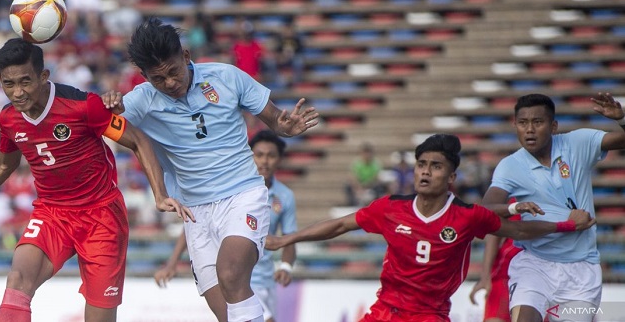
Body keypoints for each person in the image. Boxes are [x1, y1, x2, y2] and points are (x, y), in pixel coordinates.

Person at [0, 38, 191, 322]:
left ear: (43, 76)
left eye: (25, 82)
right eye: (9, 84)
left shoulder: (83, 106)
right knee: (17, 282)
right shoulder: (8, 119)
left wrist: (159, 195)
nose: (18, 93)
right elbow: (4, 164)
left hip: (101, 216)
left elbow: (137, 140)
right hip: (51, 212)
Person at [102, 17, 318, 322]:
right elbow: (98, 121)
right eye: (158, 78)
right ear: (144, 76)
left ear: (186, 57)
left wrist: (285, 126)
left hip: (243, 195)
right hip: (195, 212)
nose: (170, 83)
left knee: (230, 274)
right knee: (226, 314)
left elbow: (276, 120)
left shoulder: (226, 77)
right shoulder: (141, 101)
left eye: (174, 72)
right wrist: (106, 104)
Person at [266, 134, 595, 322]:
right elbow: (339, 224)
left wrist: (566, 225)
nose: (425, 172)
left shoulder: (466, 218)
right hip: (385, 311)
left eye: (435, 167)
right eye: (422, 165)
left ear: (451, 178)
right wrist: (287, 238)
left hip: (430, 316)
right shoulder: (391, 209)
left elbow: (518, 231)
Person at [481, 92, 625, 322]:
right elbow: (487, 207)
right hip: (534, 264)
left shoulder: (578, 143)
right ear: (515, 125)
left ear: (553, 125)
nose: (529, 129)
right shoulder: (510, 166)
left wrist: (621, 119)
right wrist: (515, 207)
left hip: (581, 271)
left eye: (537, 122)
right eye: (522, 123)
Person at [154, 130, 297, 322]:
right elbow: (197, 222)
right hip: (236, 275)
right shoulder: (231, 186)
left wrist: (286, 266)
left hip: (265, 277)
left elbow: (289, 236)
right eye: (259, 155)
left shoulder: (285, 196)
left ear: (279, 160)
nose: (264, 161)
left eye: (271, 156)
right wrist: (172, 262)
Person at [469, 201, 522, 322]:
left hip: (549, 274)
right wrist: (485, 276)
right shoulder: (518, 193)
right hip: (506, 273)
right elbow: (495, 230)